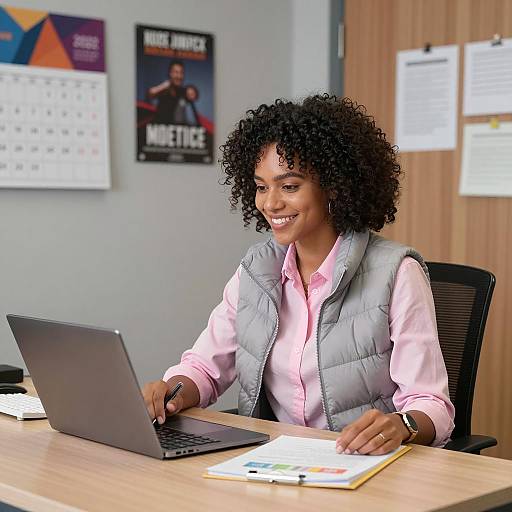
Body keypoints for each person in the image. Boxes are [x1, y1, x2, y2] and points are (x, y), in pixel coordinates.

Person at [143, 94, 455, 455]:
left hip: (362, 468)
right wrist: (172, 391)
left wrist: (401, 425)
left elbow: (433, 406)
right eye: (262, 186)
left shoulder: (397, 273)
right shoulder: (256, 272)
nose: (271, 203)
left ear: (335, 186)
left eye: (289, 186)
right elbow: (205, 367)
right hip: (275, 465)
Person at [147, 60, 199, 125]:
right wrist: (164, 86)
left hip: (177, 129)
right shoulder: (164, 89)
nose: (179, 76)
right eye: (176, 72)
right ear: (170, 73)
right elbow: (150, 94)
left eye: (181, 73)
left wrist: (192, 93)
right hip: (161, 129)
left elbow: (194, 96)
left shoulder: (183, 91)